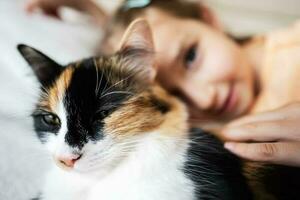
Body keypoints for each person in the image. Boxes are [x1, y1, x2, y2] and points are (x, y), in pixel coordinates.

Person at [25, 0, 300, 167]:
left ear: (209, 20)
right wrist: (88, 8)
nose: (205, 99)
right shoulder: (195, 124)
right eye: (176, 94)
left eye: (191, 57)